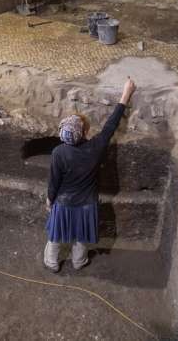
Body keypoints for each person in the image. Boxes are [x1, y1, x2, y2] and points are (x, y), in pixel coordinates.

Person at [43, 77, 136, 273]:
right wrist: (125, 94)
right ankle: (79, 262)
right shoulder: (95, 148)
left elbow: (54, 181)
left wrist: (50, 200)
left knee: (56, 234)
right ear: (85, 132)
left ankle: (51, 263)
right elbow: (111, 125)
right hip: (87, 203)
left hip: (64, 201)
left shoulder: (59, 152)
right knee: (82, 236)